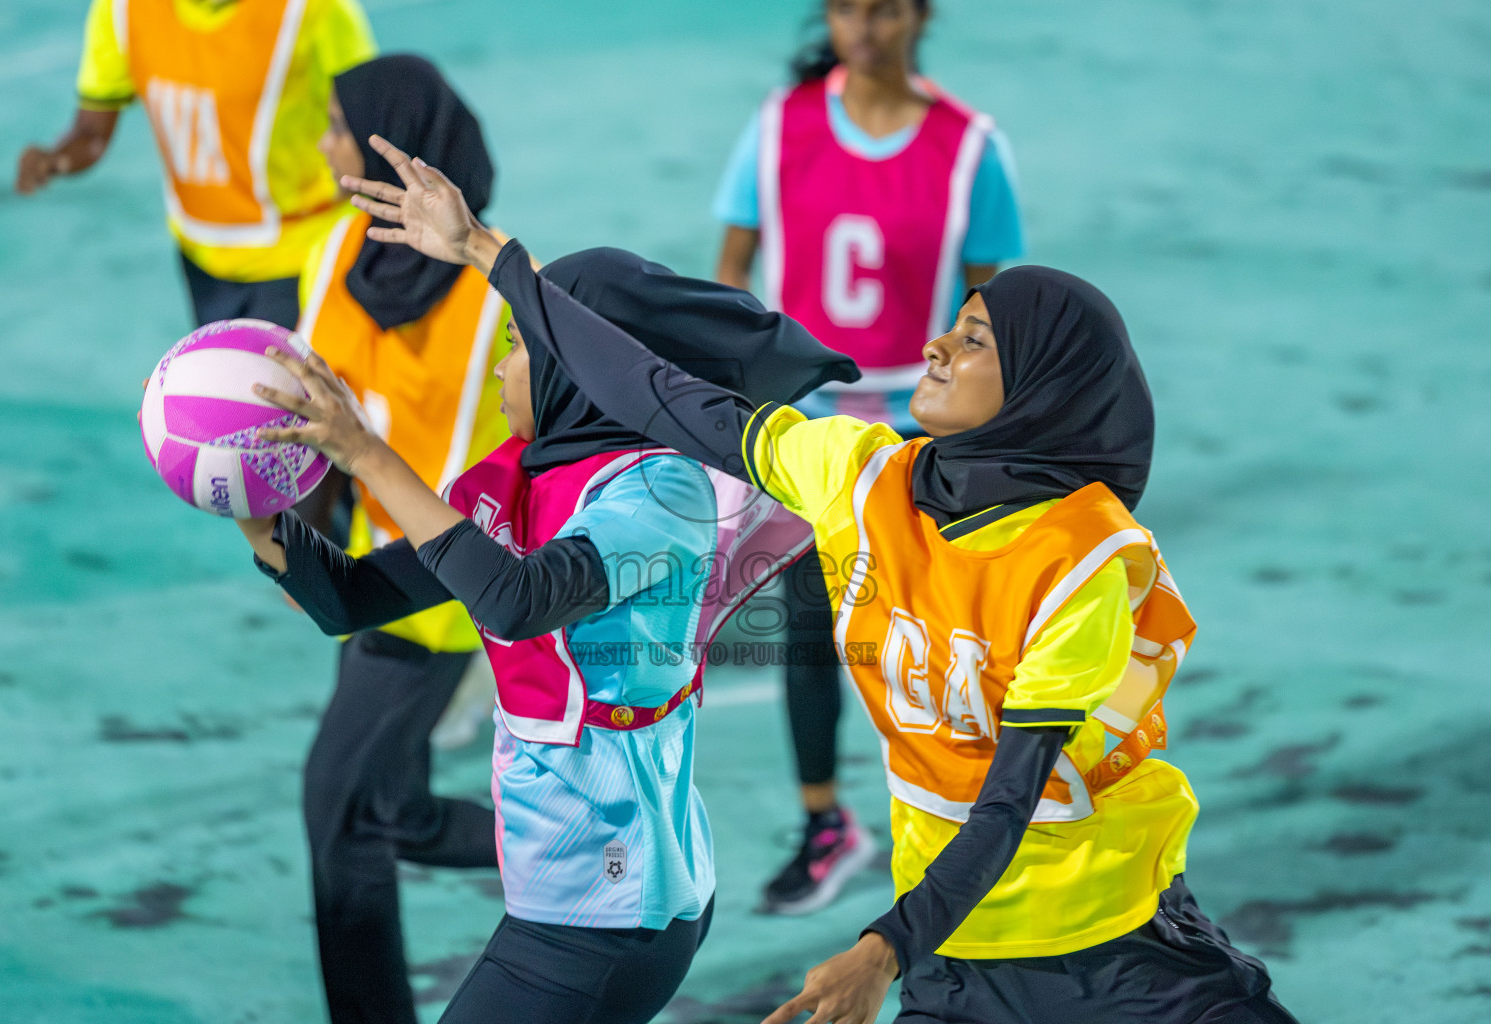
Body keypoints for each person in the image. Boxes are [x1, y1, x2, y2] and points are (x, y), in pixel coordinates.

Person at [348, 148, 1300, 1024]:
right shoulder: (859, 472)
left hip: (1113, 947)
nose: (934, 349)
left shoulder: (1079, 560)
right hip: (956, 956)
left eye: (973, 343)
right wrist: (486, 251)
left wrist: (882, 948)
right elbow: (659, 394)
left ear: (1039, 390)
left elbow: (1007, 803)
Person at [238, 134, 858, 1024]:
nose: (500, 365)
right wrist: (247, 499)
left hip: (615, 908)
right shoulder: (515, 477)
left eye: (522, 347)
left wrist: (368, 457)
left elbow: (518, 600)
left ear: (578, 371)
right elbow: (355, 599)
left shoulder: (660, 491)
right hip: (564, 896)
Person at [712, 0, 1025, 914]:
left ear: (919, 17)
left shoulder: (971, 149)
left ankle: (976, 819)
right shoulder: (780, 127)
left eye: (884, 11)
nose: (863, 27)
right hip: (810, 434)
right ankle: (825, 823)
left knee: (946, 640)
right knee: (809, 635)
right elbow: (729, 274)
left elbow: (990, 322)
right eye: (847, 8)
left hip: (925, 434)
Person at [292, 55, 509, 1024]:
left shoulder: (502, 294)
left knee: (339, 813)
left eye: (343, 127)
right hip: (372, 572)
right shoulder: (330, 252)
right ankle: (589, 847)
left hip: (447, 585)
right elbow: (311, 414)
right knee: (398, 815)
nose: (328, 146)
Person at [17, 0, 376, 329]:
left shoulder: (316, 11)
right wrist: (57, 160)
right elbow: (92, 131)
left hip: (306, 258)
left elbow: (372, 124)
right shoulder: (122, 10)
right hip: (201, 262)